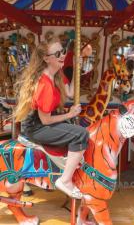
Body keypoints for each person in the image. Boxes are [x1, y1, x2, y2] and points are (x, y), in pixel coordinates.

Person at [14, 37, 89, 199]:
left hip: (45, 120)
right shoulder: (44, 84)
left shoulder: (56, 74)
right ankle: (65, 180)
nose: (62, 55)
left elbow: (70, 93)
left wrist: (76, 68)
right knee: (81, 134)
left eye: (62, 51)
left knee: (75, 127)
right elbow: (46, 120)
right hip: (36, 127)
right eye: (57, 53)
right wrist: (69, 114)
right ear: (46, 58)